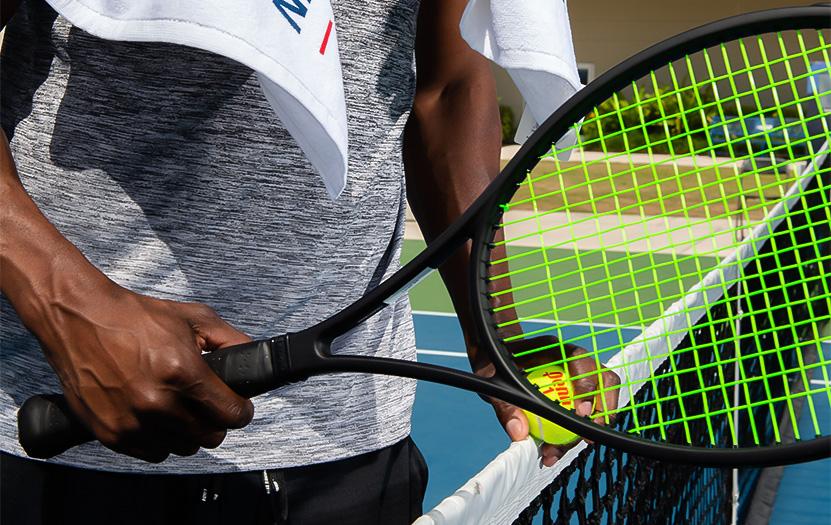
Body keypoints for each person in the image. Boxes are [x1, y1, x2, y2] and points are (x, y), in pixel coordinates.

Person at [0, 0, 616, 523]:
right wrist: (68, 307)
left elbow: (447, 90)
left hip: (353, 445)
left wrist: (493, 336)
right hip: (75, 432)